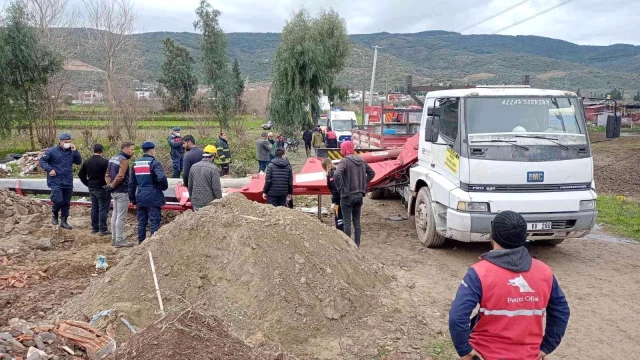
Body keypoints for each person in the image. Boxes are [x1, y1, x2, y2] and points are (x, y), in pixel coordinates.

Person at [449, 211, 570, 360]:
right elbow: (561, 311)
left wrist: (465, 350)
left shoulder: (479, 272)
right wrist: (547, 347)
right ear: (524, 236)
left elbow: (457, 317)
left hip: (484, 354)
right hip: (529, 355)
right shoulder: (544, 271)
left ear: (493, 235)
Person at [334, 140, 375, 247]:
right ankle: (357, 245)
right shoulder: (361, 160)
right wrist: (363, 184)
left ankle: (349, 246)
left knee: (347, 221)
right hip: (359, 195)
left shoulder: (344, 161)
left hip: (347, 196)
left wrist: (340, 188)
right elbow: (372, 173)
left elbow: (337, 174)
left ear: (344, 149)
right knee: (356, 221)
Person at [39, 132, 82, 230]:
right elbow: (42, 161)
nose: (68, 143)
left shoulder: (71, 151)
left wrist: (75, 151)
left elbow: (79, 162)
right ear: (60, 141)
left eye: (69, 141)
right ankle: (54, 214)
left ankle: (64, 221)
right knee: (58, 200)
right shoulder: (52, 151)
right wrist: (49, 169)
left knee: (66, 202)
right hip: (55, 180)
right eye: (66, 142)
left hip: (68, 181)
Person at [129, 142, 169, 244]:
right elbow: (161, 177)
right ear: (152, 150)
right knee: (154, 222)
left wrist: (132, 199)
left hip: (140, 196)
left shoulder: (136, 163)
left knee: (141, 222)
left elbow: (132, 183)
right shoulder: (154, 163)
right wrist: (163, 187)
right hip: (153, 197)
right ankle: (153, 245)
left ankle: (141, 244)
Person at [105, 142, 136, 248]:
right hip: (122, 191)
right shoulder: (124, 160)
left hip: (114, 192)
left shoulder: (113, 158)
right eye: (132, 149)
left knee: (115, 215)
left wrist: (109, 185)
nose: (133, 152)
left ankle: (114, 238)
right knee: (121, 217)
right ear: (125, 149)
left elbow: (107, 174)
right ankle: (120, 240)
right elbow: (120, 176)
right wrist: (113, 185)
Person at [78, 144, 110, 236]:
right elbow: (109, 175)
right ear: (102, 151)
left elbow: (80, 174)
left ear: (93, 150)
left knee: (94, 208)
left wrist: (87, 183)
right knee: (103, 208)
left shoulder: (87, 162)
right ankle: (103, 229)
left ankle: (95, 228)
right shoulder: (105, 162)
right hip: (102, 188)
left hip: (92, 187)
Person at [188, 145, 223, 211]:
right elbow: (216, 188)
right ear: (213, 156)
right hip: (209, 202)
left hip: (196, 201)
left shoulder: (193, 166)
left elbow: (190, 186)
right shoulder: (213, 168)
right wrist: (219, 201)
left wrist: (192, 199)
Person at [322, 158, 343, 232]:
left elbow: (335, 190)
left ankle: (340, 231)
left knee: (338, 216)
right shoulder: (337, 170)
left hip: (338, 200)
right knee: (344, 216)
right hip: (344, 197)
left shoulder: (331, 175)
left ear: (325, 167)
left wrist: (333, 202)